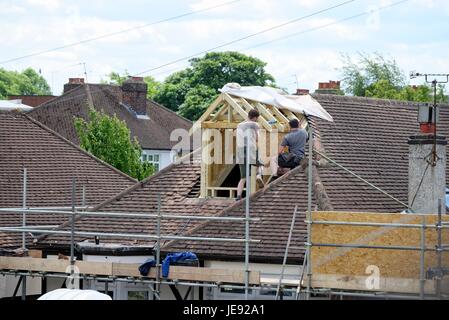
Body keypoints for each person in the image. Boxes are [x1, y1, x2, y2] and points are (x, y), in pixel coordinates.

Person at [236, 109, 265, 201]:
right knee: (260, 164)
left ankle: (238, 196)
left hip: (240, 151)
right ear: (256, 117)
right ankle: (258, 176)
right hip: (251, 148)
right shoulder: (255, 125)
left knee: (243, 177)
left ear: (248, 115)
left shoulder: (239, 125)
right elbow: (257, 138)